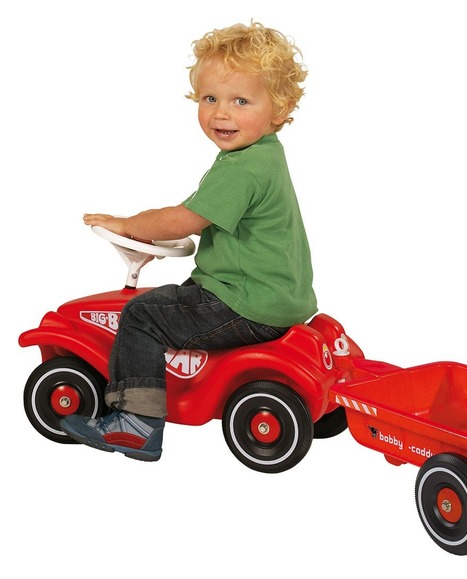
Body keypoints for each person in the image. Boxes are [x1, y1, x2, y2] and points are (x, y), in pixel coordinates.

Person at [60, 22, 317, 461]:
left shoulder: (241, 169)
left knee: (142, 316)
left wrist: (128, 224)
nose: (221, 114)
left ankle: (135, 422)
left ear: (279, 108)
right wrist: (156, 240)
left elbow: (184, 220)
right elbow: (206, 223)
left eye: (241, 101)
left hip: (243, 303)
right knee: (170, 303)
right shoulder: (263, 154)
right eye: (210, 98)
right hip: (276, 297)